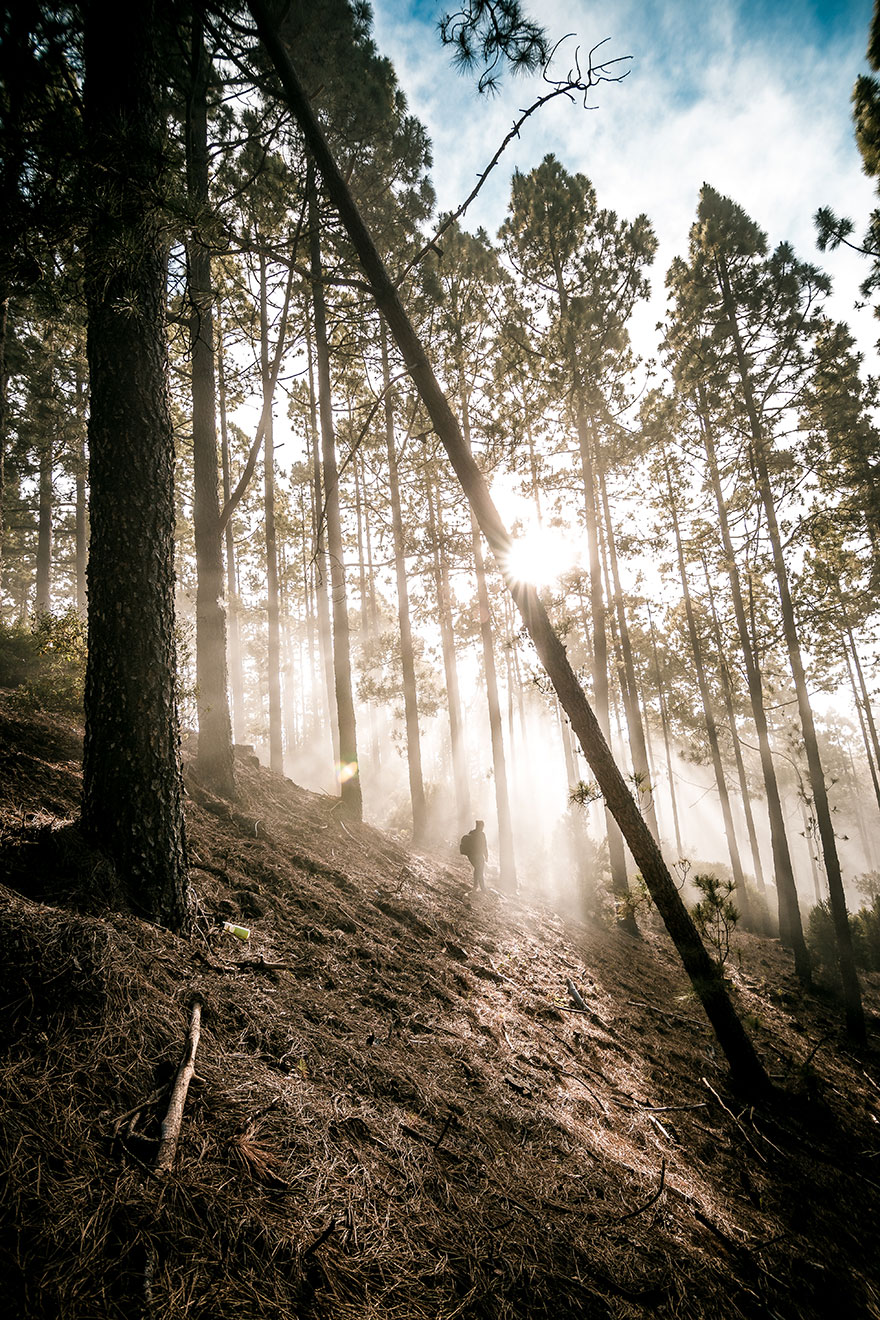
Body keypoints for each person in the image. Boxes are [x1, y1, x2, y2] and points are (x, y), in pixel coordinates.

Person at [461, 819, 489, 892]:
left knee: (477, 869)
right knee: (479, 869)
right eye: (482, 826)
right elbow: (484, 846)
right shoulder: (482, 834)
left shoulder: (471, 832)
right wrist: (486, 856)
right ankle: (481, 888)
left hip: (471, 856)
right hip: (478, 855)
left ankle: (476, 886)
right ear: (481, 826)